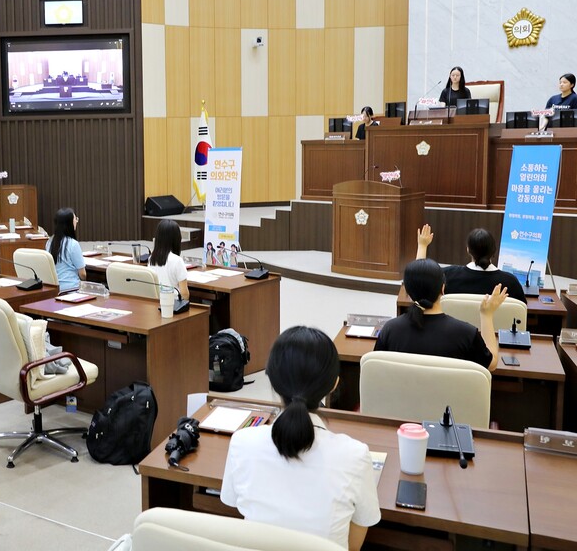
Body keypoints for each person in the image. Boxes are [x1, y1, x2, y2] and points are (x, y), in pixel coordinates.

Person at [221, 326, 380, 550]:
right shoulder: (355, 455)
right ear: (334, 383)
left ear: (272, 380)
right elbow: (353, 544)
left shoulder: (241, 442)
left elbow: (232, 505)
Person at [375, 259, 505, 372]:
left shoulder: (390, 329)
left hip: (401, 400)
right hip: (449, 401)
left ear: (408, 292)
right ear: (443, 288)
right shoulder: (466, 333)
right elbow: (491, 364)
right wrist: (486, 315)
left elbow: (376, 366)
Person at [415, 224, 526, 302]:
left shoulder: (447, 275)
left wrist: (422, 246)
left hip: (455, 334)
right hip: (495, 335)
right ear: (494, 251)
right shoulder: (511, 282)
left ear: (468, 250)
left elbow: (419, 281)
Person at [147, 220, 190, 302]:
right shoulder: (177, 260)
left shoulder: (151, 258)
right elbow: (184, 294)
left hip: (156, 302)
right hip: (174, 305)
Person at [45, 208, 86, 291]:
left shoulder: (49, 242)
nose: (76, 222)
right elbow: (83, 274)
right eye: (75, 219)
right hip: (71, 289)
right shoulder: (73, 244)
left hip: (54, 289)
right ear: (69, 223)